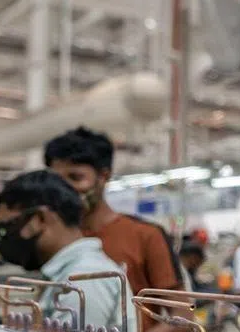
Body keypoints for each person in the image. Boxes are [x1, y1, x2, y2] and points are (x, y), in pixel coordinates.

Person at [44, 127, 183, 297]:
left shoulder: (146, 236)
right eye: (57, 180)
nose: (64, 189)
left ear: (104, 176)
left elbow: (179, 311)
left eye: (76, 178)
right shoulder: (50, 239)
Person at [0, 170, 134, 331]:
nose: (5, 239)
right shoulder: (69, 274)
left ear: (39, 219)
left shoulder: (84, 278)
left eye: (6, 228)